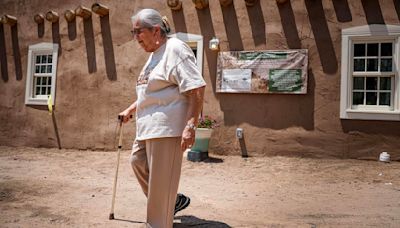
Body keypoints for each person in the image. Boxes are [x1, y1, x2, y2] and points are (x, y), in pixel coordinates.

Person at [119, 8, 206, 228]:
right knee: (137, 162)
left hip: (166, 129)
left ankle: (158, 221)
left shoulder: (175, 49)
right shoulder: (152, 57)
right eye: (133, 32)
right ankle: (172, 200)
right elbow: (150, 92)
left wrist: (190, 126)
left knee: (159, 186)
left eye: (138, 31)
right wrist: (131, 109)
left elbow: (196, 87)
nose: (135, 37)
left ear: (155, 30)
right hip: (146, 128)